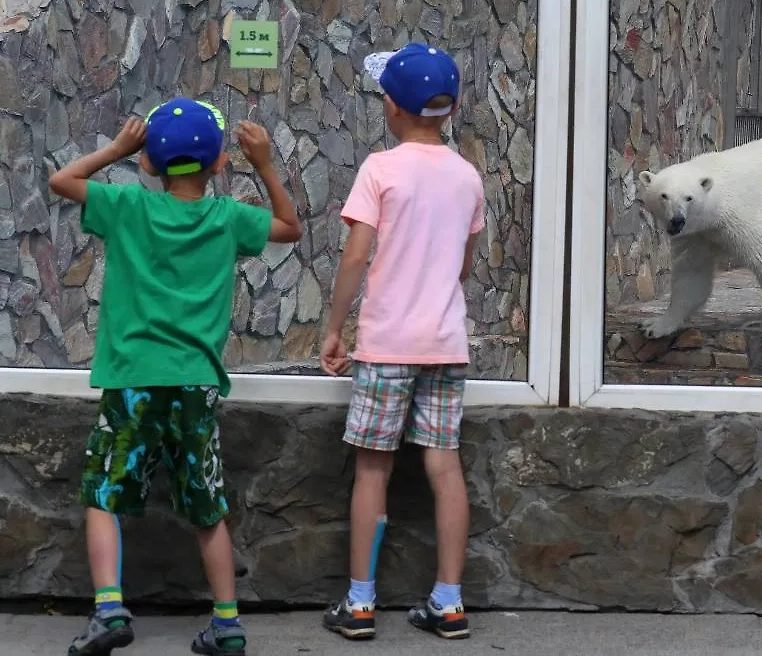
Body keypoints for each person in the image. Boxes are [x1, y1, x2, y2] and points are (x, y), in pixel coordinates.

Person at [49, 98, 303, 656]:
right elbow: (290, 227)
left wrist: (117, 150)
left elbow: (61, 180)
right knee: (206, 505)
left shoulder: (126, 208)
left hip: (134, 378)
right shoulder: (228, 218)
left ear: (149, 165)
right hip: (195, 382)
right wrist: (262, 164)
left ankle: (110, 608)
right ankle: (229, 623)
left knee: (104, 494)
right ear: (217, 165)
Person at [319, 42, 484, 641]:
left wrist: (335, 328)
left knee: (372, 473)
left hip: (387, 345)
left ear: (391, 106)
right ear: (449, 107)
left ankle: (361, 603)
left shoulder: (380, 170)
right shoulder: (468, 177)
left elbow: (358, 254)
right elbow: (463, 266)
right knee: (445, 469)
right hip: (444, 344)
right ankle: (449, 600)